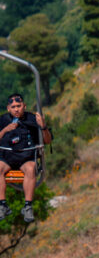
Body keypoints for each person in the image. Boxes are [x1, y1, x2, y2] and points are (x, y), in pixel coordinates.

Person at [0, 92, 52, 224]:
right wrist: (5, 130)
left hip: (26, 158)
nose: (16, 109)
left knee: (31, 168)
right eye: (13, 107)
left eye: (19, 106)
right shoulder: (3, 120)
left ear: (24, 106)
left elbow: (47, 141)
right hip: (7, 158)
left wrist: (43, 126)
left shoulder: (33, 119)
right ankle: (2, 205)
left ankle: (28, 206)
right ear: (8, 108)